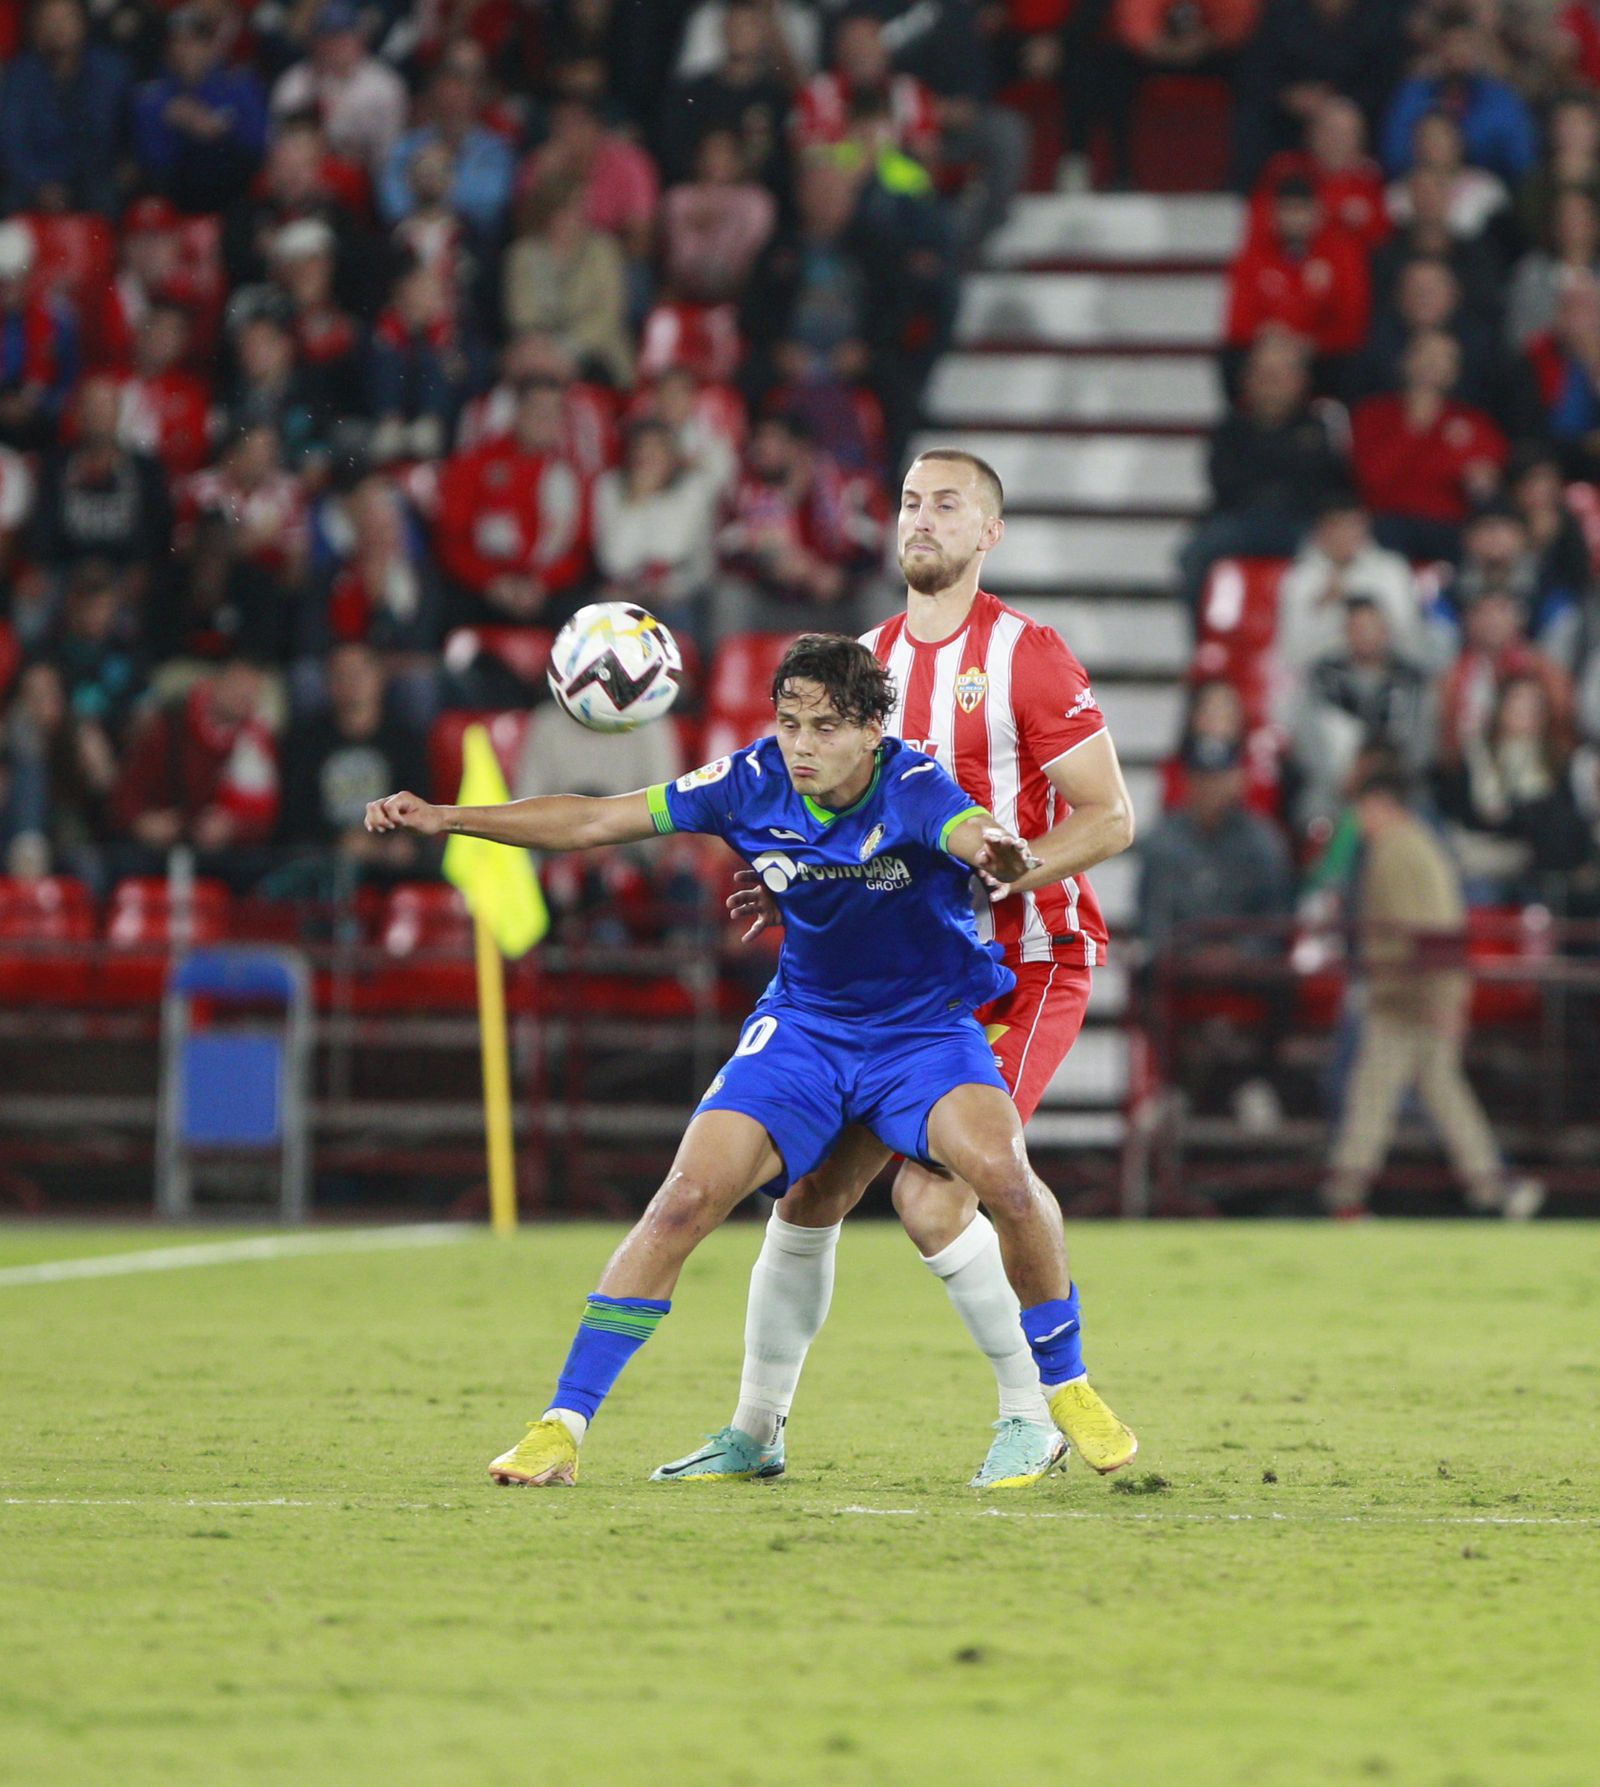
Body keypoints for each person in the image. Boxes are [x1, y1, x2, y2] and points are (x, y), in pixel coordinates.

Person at [366, 632, 1139, 1488]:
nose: (802, 746)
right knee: (685, 1199)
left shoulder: (913, 782)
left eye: (826, 727)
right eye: (790, 723)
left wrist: (995, 850)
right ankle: (562, 1426)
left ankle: (1063, 1387)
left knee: (1003, 1172)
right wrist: (448, 817)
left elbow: (967, 829)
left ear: (873, 730)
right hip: (805, 1030)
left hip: (920, 1033)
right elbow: (596, 817)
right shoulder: (746, 780)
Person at [660, 448, 1138, 1491]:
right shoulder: (864, 665)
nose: (922, 518)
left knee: (934, 1198)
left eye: (948, 504)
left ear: (987, 533)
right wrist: (793, 881)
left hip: (1025, 956)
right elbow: (837, 815)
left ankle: (1035, 1411)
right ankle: (755, 1428)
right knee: (807, 1202)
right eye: (911, 501)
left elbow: (1112, 815)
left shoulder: (1028, 656)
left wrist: (1006, 874)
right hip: (901, 974)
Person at [1320, 761, 1544, 1220]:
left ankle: (1346, 1196)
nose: (1360, 821)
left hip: (1406, 1001)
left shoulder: (1398, 850)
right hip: (1417, 997)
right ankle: (1497, 1189)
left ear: (1382, 805)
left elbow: (1426, 934)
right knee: (1443, 1097)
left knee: (1373, 1096)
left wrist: (1440, 999)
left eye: (1363, 809)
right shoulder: (1416, 845)